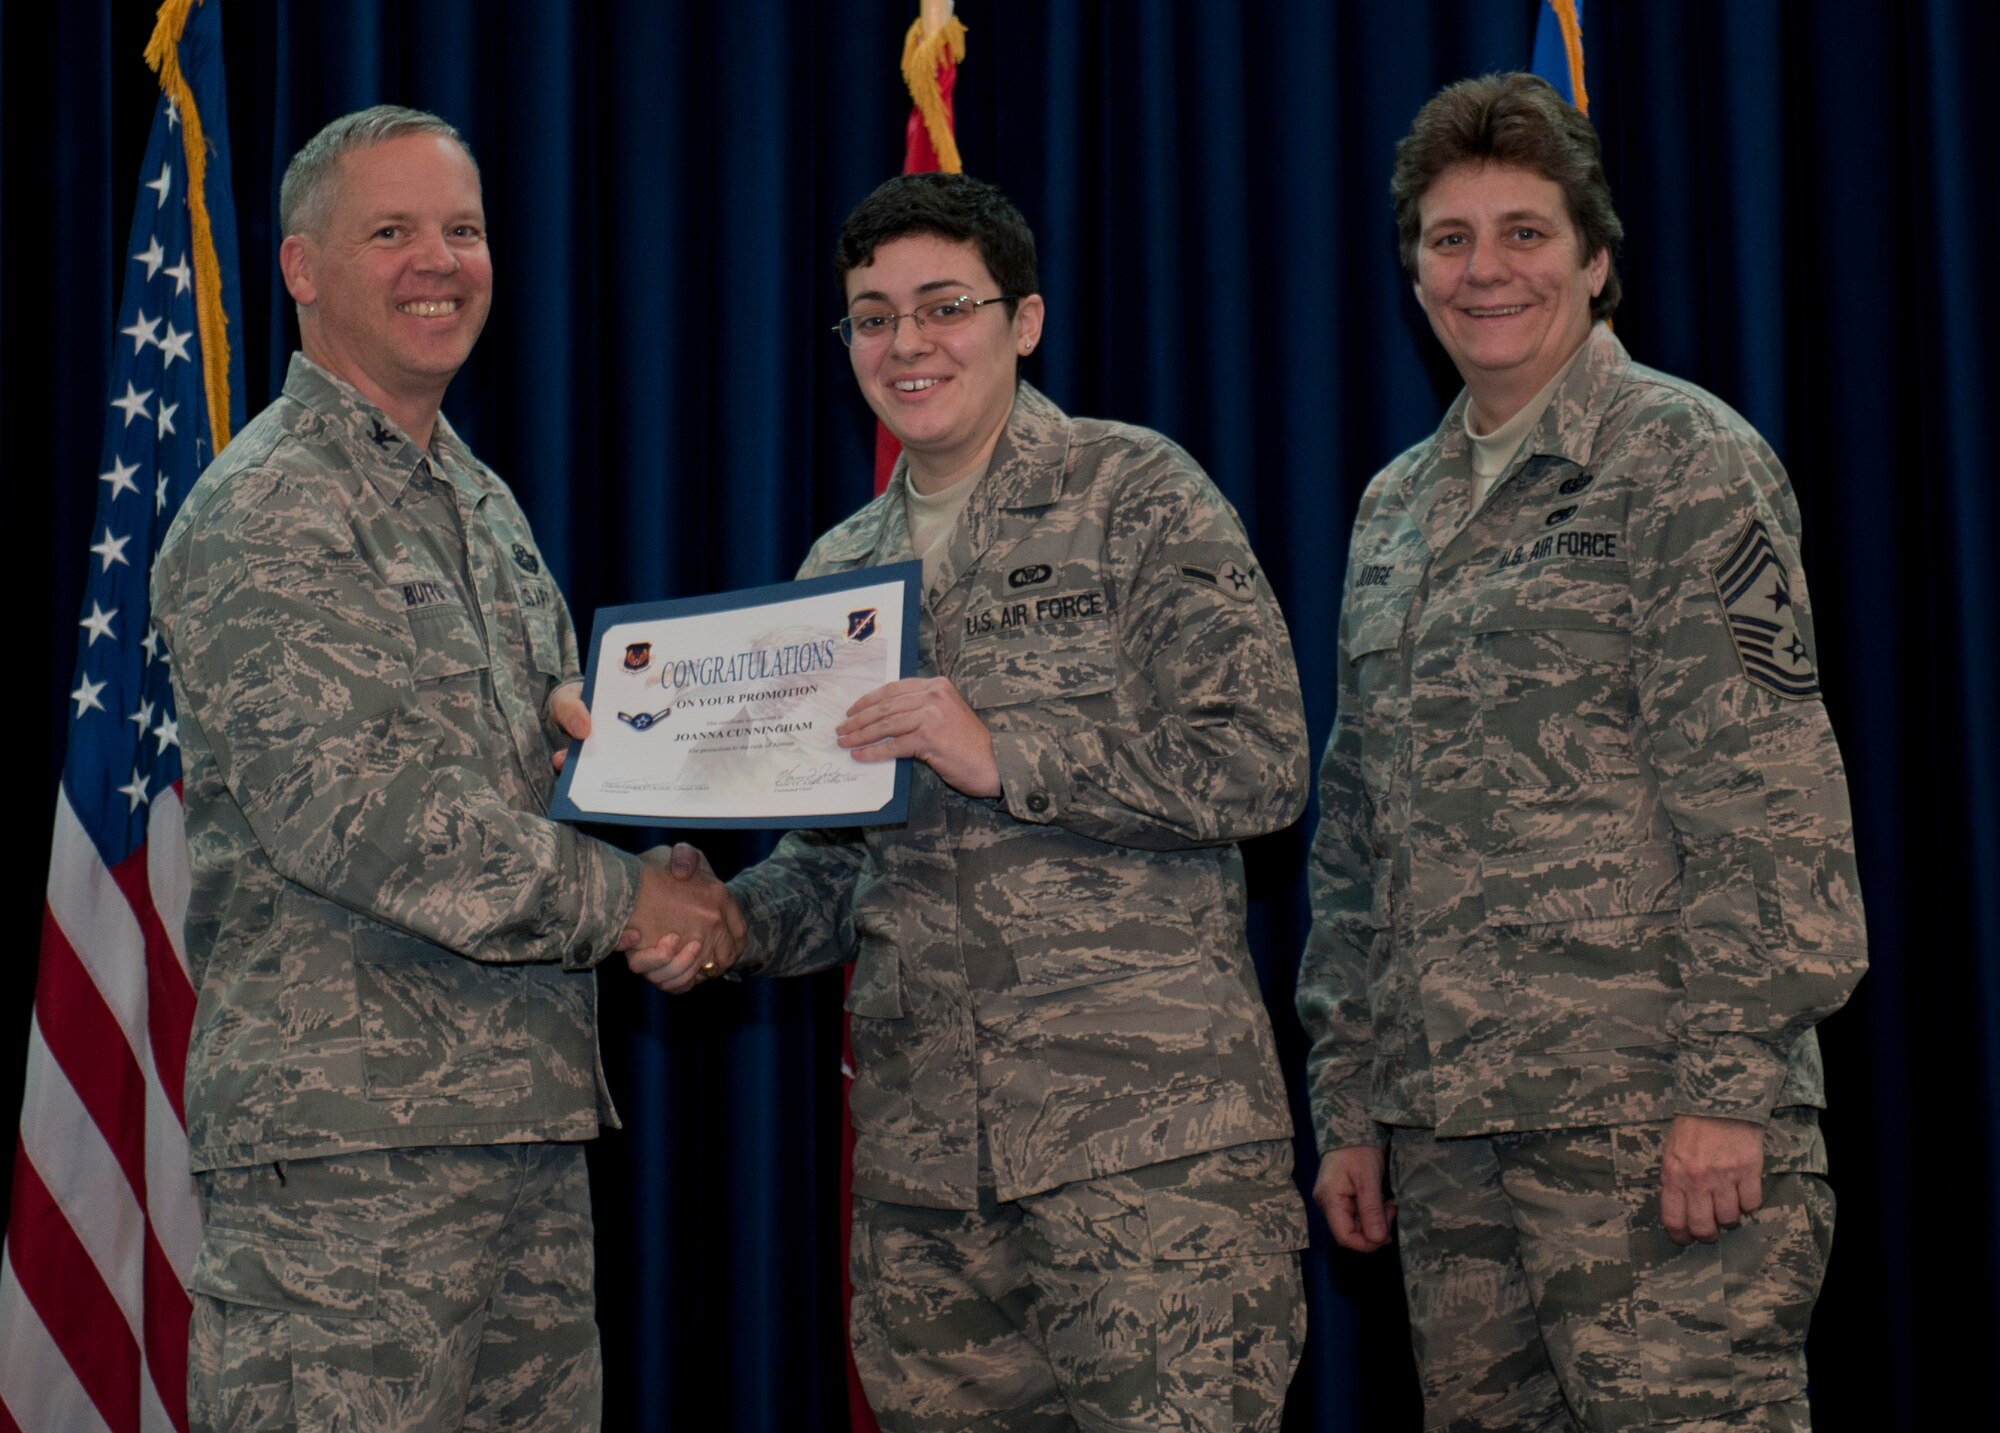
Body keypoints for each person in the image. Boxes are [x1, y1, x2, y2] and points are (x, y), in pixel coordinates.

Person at [659, 172, 1311, 1431]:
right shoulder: (839, 571)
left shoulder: (1136, 492)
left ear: (1023, 321)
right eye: (870, 315)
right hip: (927, 1190)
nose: (906, 344)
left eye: (942, 306)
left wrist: (1005, 749)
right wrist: (726, 922)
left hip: (1148, 1158)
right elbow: (840, 864)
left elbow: (1260, 763)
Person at [152, 105, 743, 1431]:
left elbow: (535, 764)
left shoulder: (475, 498)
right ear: (303, 269)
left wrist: (663, 815)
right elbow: (362, 819)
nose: (442, 261)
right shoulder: (270, 509)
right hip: (349, 1165)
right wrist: (630, 904)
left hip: (517, 1129)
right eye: (394, 231)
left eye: (464, 230)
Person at [1294, 73, 1867, 1432]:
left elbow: (1769, 789)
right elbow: (1360, 831)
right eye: (1448, 237)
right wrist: (1354, 1098)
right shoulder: (1394, 511)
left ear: (1596, 261)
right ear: (1414, 270)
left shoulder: (1686, 460)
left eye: (1524, 232)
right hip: (1449, 1142)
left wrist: (1729, 1086)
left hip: (1653, 1127)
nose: (1484, 268)